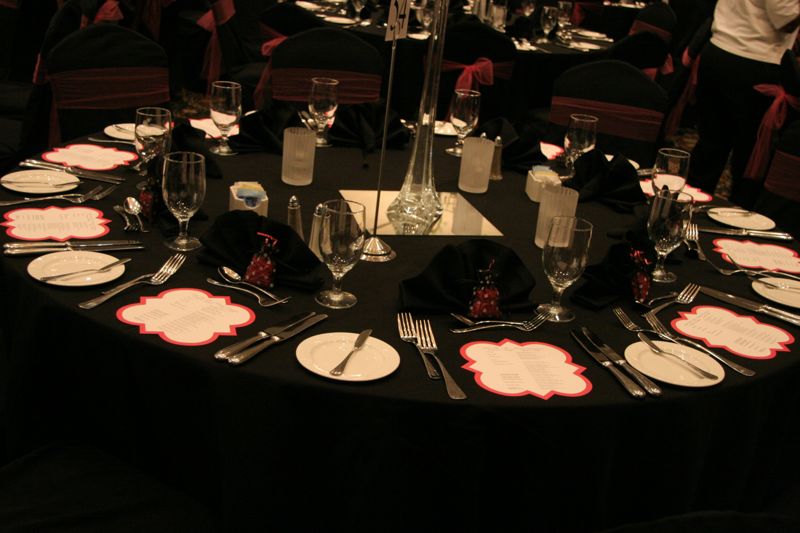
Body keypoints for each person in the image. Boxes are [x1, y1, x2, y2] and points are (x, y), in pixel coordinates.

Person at [688, 0, 800, 208]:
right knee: (748, 160)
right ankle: (735, 225)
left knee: (710, 149)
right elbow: (783, 18)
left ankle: (685, 216)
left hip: (719, 50)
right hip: (754, 60)